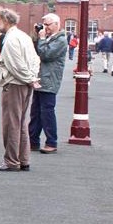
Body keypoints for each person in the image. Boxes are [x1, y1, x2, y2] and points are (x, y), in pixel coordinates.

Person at [0, 8, 41, 172]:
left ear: (6, 20)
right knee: (21, 123)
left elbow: (15, 64)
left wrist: (29, 78)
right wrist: (32, 77)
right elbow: (36, 60)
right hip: (25, 84)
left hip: (14, 85)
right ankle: (23, 159)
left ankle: (11, 161)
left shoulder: (11, 39)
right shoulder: (25, 37)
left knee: (11, 124)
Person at [29, 13, 68, 154]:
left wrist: (42, 38)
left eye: (48, 25)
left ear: (57, 24)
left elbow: (45, 54)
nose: (45, 28)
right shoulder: (48, 38)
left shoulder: (61, 40)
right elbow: (35, 51)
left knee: (47, 113)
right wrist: (37, 36)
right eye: (43, 25)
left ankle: (51, 142)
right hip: (40, 79)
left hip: (50, 81)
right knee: (35, 113)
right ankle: (33, 141)